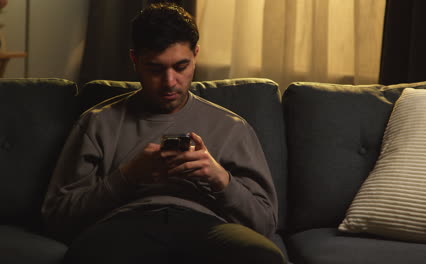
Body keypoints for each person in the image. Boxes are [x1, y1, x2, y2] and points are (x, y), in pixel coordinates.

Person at [42, 3, 285, 264]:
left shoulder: (232, 127)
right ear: (135, 60)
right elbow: (58, 218)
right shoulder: (97, 123)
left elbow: (265, 224)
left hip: (207, 227)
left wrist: (220, 178)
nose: (170, 82)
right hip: (124, 226)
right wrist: (127, 176)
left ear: (196, 55)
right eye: (156, 69)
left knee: (264, 257)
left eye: (181, 67)